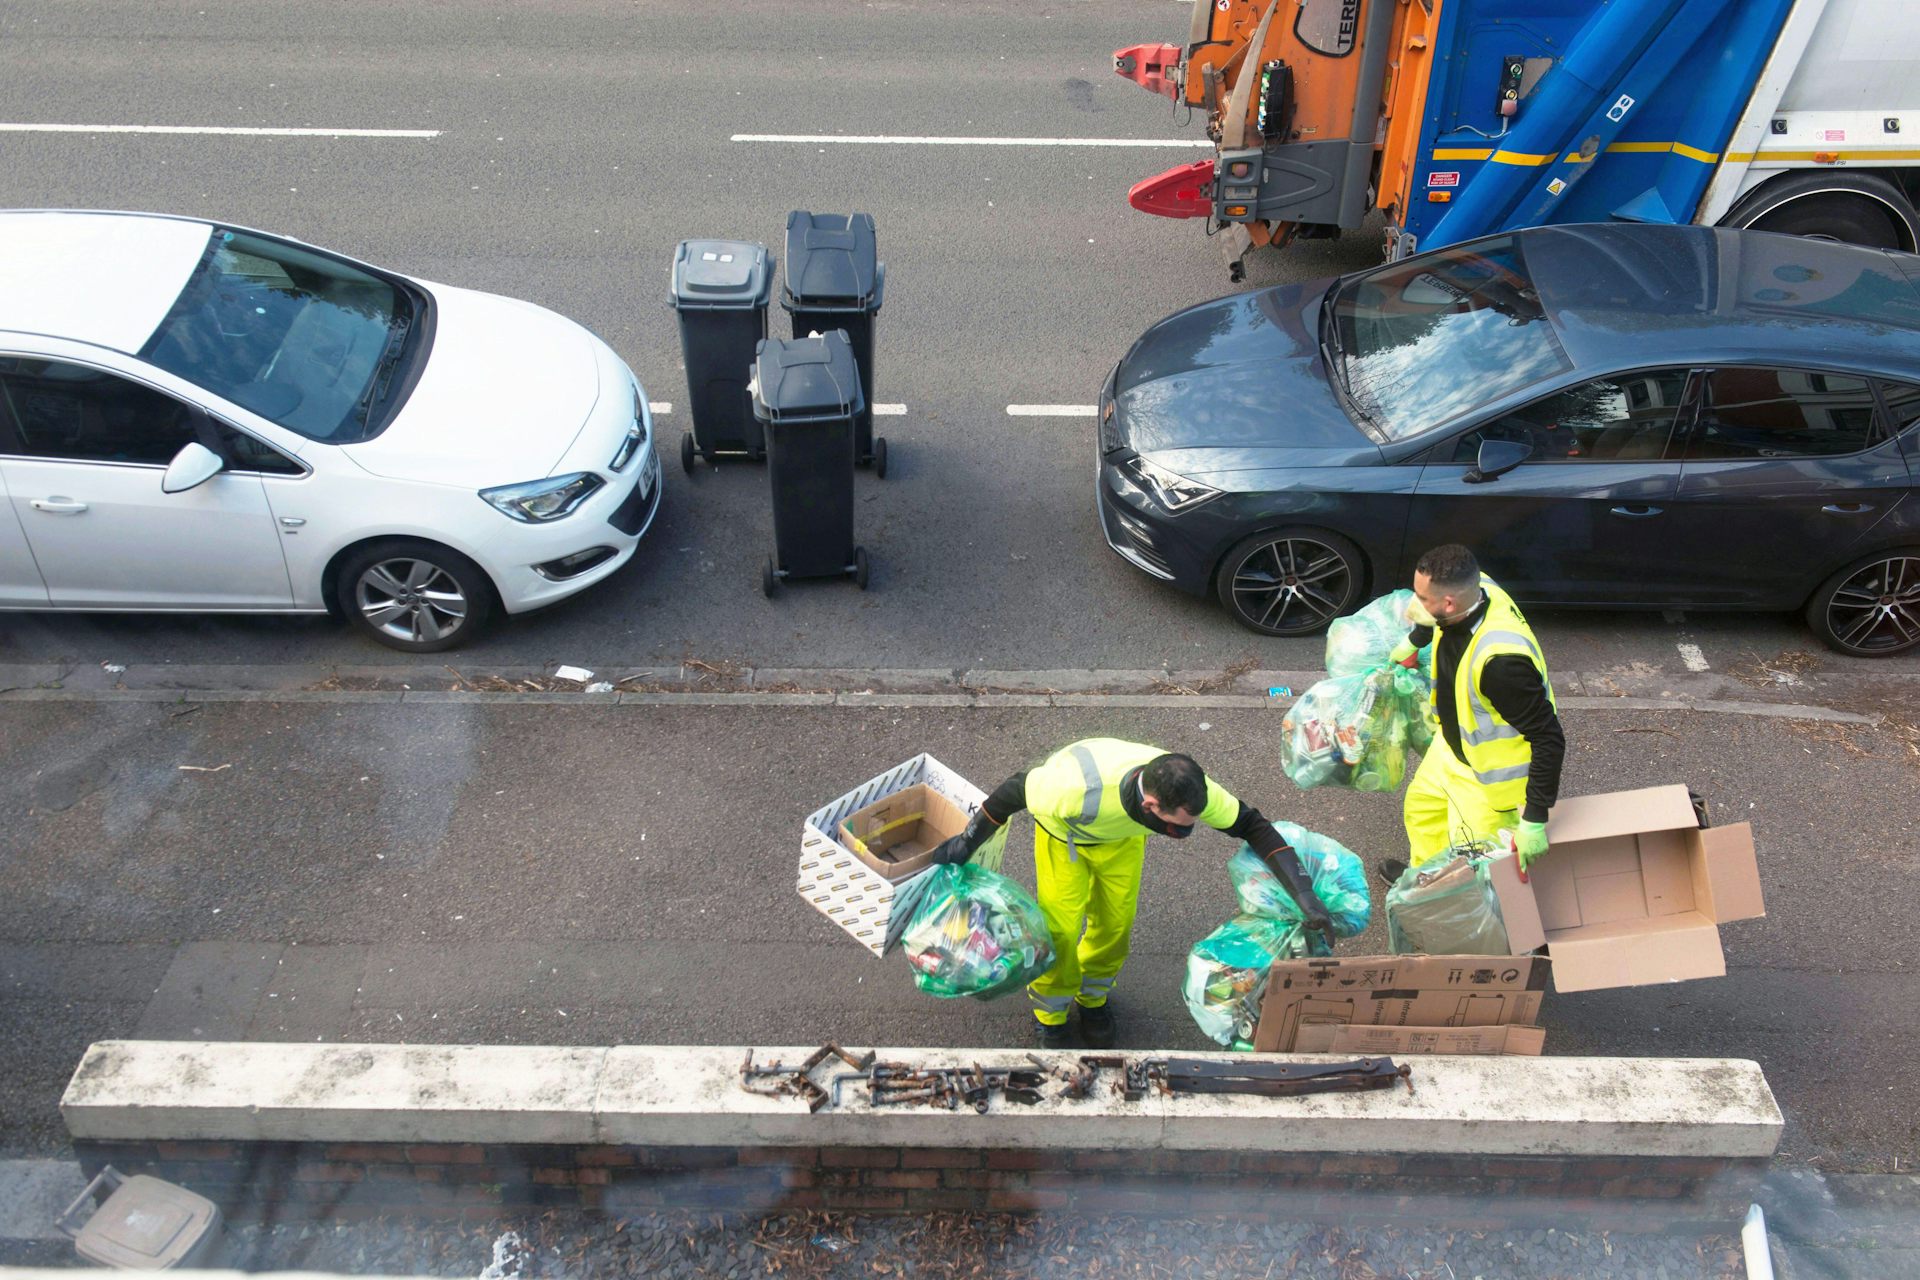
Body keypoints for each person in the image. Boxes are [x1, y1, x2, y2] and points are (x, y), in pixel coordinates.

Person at [930, 739, 1333, 1050]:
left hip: (1121, 841)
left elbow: (1253, 826)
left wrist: (1305, 895)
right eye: (1178, 827)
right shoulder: (1068, 789)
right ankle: (1050, 1016)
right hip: (1065, 839)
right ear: (1152, 804)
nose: (1184, 834)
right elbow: (1011, 793)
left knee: (1116, 926)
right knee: (1060, 932)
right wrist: (964, 844)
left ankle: (1093, 1000)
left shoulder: (1191, 789)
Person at [1379, 544, 1565, 885]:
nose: (1413, 607)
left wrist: (1534, 820)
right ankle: (1425, 886)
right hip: (1452, 748)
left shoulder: (1502, 664)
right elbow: (1429, 617)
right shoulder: (1477, 587)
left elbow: (1548, 738)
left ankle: (1471, 919)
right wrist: (1414, 642)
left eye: (1421, 599)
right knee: (1423, 813)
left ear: (1448, 604)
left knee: (1477, 869)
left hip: (1487, 780)